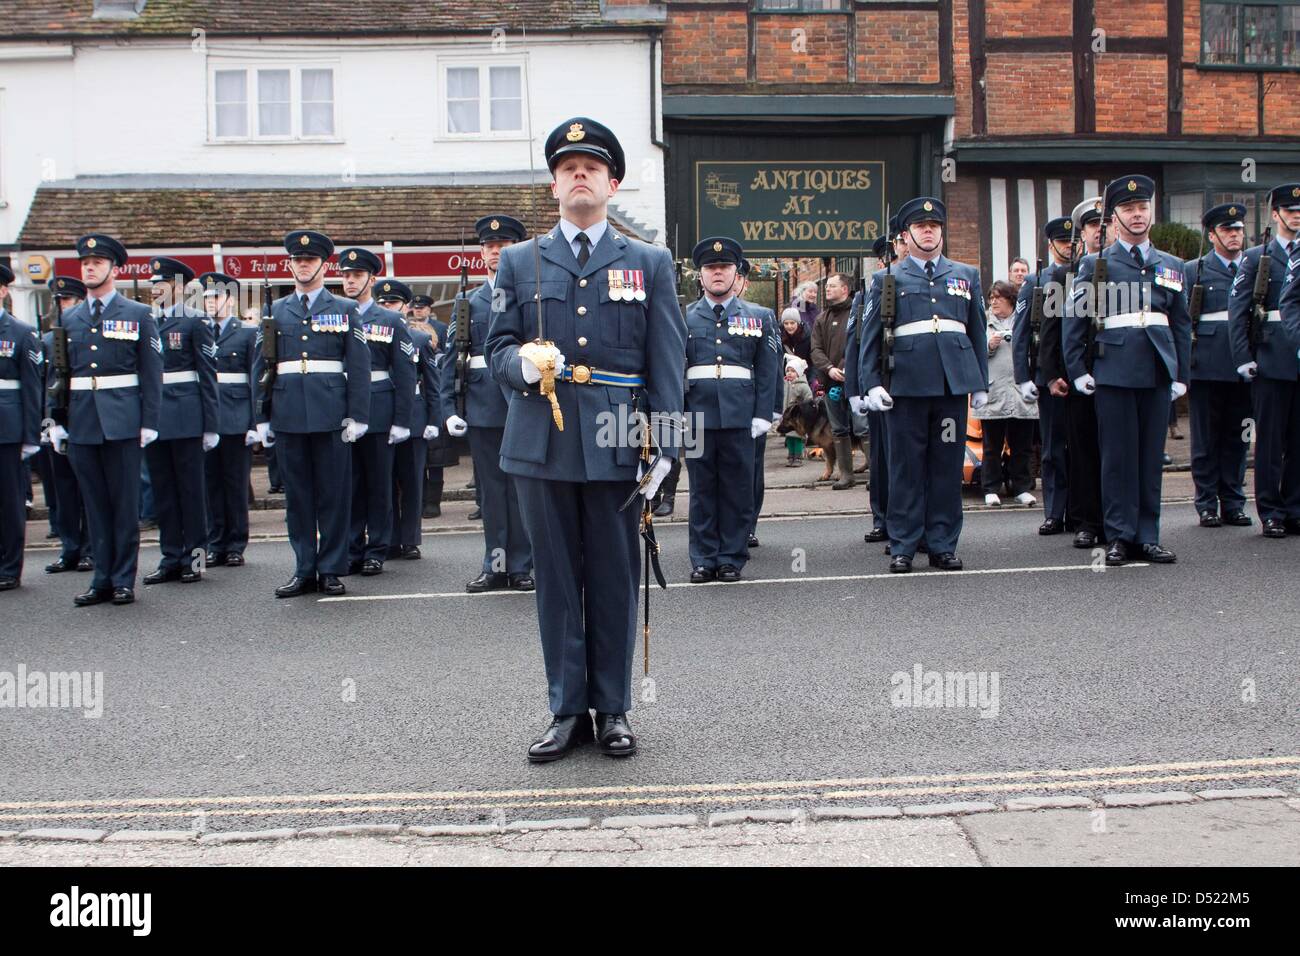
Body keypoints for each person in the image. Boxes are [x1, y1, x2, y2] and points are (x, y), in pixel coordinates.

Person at [484, 116, 686, 762]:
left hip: (617, 433)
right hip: (539, 437)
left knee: (612, 576)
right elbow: (496, 347)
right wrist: (519, 366)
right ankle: (567, 708)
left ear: (612, 183)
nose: (579, 175)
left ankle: (614, 707)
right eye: (568, 167)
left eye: (591, 168)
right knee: (556, 581)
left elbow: (666, 363)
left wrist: (670, 449)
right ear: (553, 186)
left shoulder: (648, 262)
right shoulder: (518, 261)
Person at [1063, 175, 1190, 566]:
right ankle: (1119, 534)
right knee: (1117, 458)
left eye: (1142, 208)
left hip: (1155, 370)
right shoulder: (1095, 264)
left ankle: (1147, 535)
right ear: (1114, 219)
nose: (1137, 215)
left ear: (1151, 213)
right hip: (1113, 369)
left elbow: (1181, 324)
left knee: (1150, 457)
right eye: (1128, 210)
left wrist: (1181, 373)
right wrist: (1077, 368)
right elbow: (1075, 319)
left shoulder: (1171, 265)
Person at [859, 197, 989, 572]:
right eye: (920, 227)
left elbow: (976, 330)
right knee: (905, 469)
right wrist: (871, 383)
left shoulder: (966, 276)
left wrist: (979, 382)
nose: (928, 232)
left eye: (934, 227)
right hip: (907, 388)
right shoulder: (887, 279)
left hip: (950, 389)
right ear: (906, 234)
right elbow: (870, 337)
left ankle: (942, 543)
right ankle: (903, 543)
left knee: (946, 468)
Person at [45, 234, 162, 606]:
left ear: (115, 268)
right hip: (83, 422)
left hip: (123, 420)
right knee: (94, 505)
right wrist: (56, 420)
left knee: (123, 505)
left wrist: (149, 420)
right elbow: (59, 374)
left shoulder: (138, 314)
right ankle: (101, 579)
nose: (89, 268)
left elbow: (151, 371)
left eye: (97, 262)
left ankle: (123, 578)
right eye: (85, 263)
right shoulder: (71, 317)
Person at [257, 230, 371, 598]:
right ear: (290, 265)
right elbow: (262, 367)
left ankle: (331, 568)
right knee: (298, 497)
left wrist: (358, 415)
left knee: (334, 495)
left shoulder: (346, 309)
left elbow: (359, 365)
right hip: (288, 413)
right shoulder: (275, 311)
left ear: (324, 265)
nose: (302, 265)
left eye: (309, 260)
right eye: (297, 260)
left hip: (331, 414)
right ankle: (304, 567)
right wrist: (261, 417)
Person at [442, 215, 534, 592]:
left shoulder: (529, 294)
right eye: (489, 247)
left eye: (503, 245)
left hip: (524, 403)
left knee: (523, 490)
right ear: (482, 253)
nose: (496, 252)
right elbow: (452, 355)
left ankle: (522, 566)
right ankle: (496, 565)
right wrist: (449, 408)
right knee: (491, 492)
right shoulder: (467, 301)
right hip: (482, 404)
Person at [682, 238, 778, 583]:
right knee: (702, 490)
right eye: (711, 268)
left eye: (724, 267)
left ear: (736, 273)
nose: (717, 273)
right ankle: (703, 558)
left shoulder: (760, 317)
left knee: (737, 489)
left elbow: (769, 370)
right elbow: (673, 368)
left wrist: (764, 414)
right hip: (696, 416)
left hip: (741, 415)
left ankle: (731, 558)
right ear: (701, 275)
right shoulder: (683, 317)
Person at [142, 257, 219, 586]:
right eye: (153, 283)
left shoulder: (196, 321)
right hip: (155, 419)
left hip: (187, 417)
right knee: (164, 493)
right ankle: (170, 557)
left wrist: (211, 425)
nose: (156, 289)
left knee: (191, 493)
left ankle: (196, 559)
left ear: (179, 287)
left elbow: (208, 376)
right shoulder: (145, 321)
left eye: (163, 283)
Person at [337, 247, 415, 577]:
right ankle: (352, 546)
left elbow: (405, 372)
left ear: (372, 279)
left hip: (379, 408)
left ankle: (377, 549)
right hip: (343, 410)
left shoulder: (391, 319)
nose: (350, 281)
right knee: (348, 483)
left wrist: (402, 419)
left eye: (356, 276)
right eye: (346, 276)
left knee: (379, 484)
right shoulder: (336, 313)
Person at [1238, 184, 1300, 537]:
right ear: (1275, 215)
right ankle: (1271, 510)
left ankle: (1294, 506)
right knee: (1271, 441)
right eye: (1290, 210)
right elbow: (1239, 311)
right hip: (1271, 357)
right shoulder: (1255, 257)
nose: (1297, 215)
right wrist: (1243, 357)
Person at [1185, 203, 1252, 529]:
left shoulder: (1255, 266)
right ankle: (1207, 503)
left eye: (1238, 229)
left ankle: (1234, 502)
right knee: (1206, 439)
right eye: (1227, 230)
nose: (1235, 235)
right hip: (1207, 365)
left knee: (1238, 438)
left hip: (1245, 366)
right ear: (1212, 235)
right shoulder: (1192, 269)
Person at [1012, 217, 1074, 532]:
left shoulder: (1087, 275)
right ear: (1051, 245)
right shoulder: (1036, 282)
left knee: (1082, 447)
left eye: (1072, 241)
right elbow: (1021, 334)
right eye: (1063, 242)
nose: (1069, 246)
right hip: (1049, 374)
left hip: (1082, 373)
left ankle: (1079, 510)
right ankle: (1054, 510)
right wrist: (1023, 377)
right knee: (1053, 447)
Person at [199, 271, 261, 567]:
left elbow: (254, 379)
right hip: (207, 418)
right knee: (210, 485)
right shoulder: (198, 330)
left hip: (236, 417)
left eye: (217, 297)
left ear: (231, 300)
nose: (211, 303)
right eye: (207, 297)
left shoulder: (247, 333)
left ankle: (236, 543)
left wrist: (254, 423)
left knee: (235, 484)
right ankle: (215, 542)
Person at [377, 280, 438, 560]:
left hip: (414, 414)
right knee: (384, 481)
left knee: (412, 481)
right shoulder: (370, 335)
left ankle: (410, 538)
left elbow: (432, 384)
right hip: (383, 413)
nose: (387, 307)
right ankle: (388, 537)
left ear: (404, 307)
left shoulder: (420, 339)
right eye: (383, 303)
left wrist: (433, 420)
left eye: (392, 303)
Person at [1060, 197, 1107, 548]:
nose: (1100, 232)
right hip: (1081, 372)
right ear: (1083, 233)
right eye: (1094, 226)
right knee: (1084, 449)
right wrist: (1053, 374)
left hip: (1118, 370)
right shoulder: (1068, 274)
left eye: (1105, 225)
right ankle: (1087, 519)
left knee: (1118, 451)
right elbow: (1054, 332)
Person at [40, 276, 93, 574]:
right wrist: (49, 425)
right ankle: (69, 548)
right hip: (56, 424)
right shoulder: (46, 340)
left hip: (83, 421)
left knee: (88, 491)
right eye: (58, 301)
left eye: (68, 300)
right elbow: (42, 389)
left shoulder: (85, 337)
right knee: (62, 492)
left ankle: (89, 549)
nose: (62, 305)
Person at [0, 262, 44, 590]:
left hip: (7, 429)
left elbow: (32, 388)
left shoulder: (20, 332)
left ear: (3, 291)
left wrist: (31, 435)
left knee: (9, 501)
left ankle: (9, 566)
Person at [978, 280, 1038, 506]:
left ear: (1011, 300)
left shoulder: (1023, 320)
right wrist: (989, 346)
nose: (993, 302)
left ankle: (1021, 487)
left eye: (998, 298)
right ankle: (990, 488)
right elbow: (973, 353)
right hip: (994, 391)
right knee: (991, 445)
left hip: (1020, 391)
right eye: (991, 297)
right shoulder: (984, 321)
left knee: (1022, 444)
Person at [737, 257, 780, 549]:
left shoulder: (759, 316)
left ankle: (747, 524)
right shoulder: (696, 316)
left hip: (750, 406)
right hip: (712, 409)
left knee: (751, 471)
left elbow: (772, 365)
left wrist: (771, 409)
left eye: (738, 276)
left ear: (744, 282)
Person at [811, 272, 856, 489]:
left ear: (845, 289)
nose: (827, 289)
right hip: (831, 384)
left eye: (832, 286)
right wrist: (829, 369)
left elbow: (861, 342)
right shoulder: (821, 319)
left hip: (856, 381)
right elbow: (816, 349)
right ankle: (846, 475)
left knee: (864, 427)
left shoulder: (858, 313)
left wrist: (845, 367)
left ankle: (876, 475)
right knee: (838, 429)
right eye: (826, 286)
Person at [782, 354, 814, 465]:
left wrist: (803, 409)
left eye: (792, 371)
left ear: (799, 373)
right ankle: (791, 456)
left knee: (797, 437)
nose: (789, 373)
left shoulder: (802, 386)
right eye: (788, 371)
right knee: (789, 437)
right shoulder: (786, 384)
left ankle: (798, 456)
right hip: (787, 417)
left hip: (798, 418)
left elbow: (809, 399)